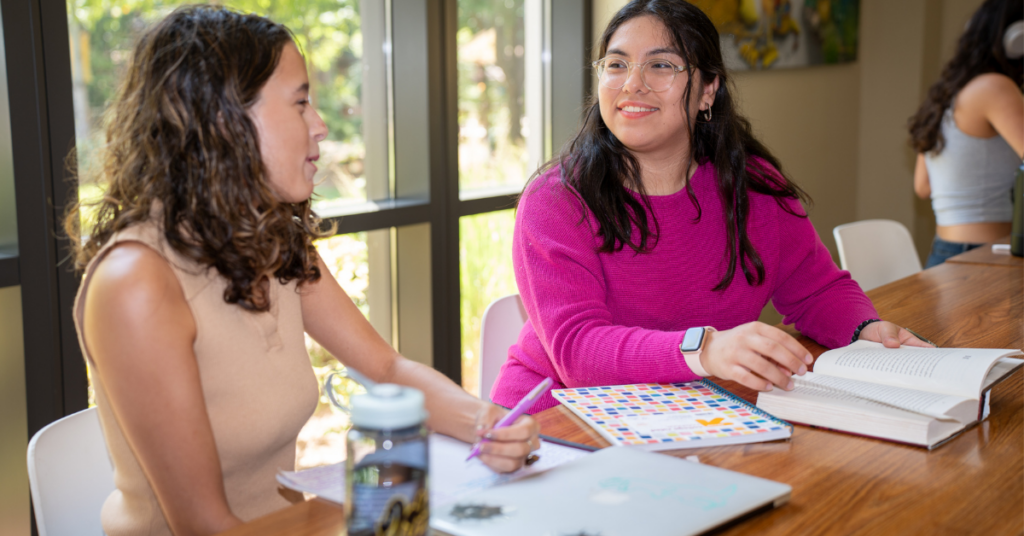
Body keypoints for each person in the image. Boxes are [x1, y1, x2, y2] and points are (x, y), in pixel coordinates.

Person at [65, 6, 538, 536]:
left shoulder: (272, 241)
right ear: (224, 120)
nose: (321, 124)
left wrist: (487, 423)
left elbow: (385, 370)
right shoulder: (136, 282)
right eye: (300, 103)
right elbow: (205, 527)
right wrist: (375, 512)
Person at [490, 0, 930, 414]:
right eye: (617, 64)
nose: (632, 84)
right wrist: (706, 350)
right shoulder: (556, 200)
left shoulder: (753, 185)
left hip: (699, 414)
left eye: (660, 65)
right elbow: (580, 354)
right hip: (554, 427)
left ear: (708, 90)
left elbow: (816, 289)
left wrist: (863, 330)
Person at [909, 0, 1024, 268]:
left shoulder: (947, 91)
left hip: (945, 255)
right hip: (983, 259)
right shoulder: (995, 87)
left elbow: (923, 187)